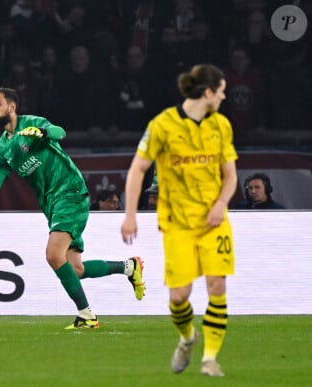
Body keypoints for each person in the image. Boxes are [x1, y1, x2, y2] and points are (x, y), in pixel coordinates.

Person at [0, 87, 145, 330]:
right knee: (75, 269)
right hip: (52, 203)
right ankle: (129, 266)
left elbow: (59, 132)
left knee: (53, 255)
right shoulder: (2, 149)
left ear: (11, 107)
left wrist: (42, 132)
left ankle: (87, 316)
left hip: (69, 190)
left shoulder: (31, 123)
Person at [121, 64, 237, 377]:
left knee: (217, 285)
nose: (225, 96)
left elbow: (230, 176)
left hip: (214, 221)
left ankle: (210, 359)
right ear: (208, 92)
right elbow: (137, 170)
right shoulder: (162, 125)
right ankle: (188, 337)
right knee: (179, 296)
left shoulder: (221, 126)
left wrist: (221, 204)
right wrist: (130, 215)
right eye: (222, 90)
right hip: (177, 223)